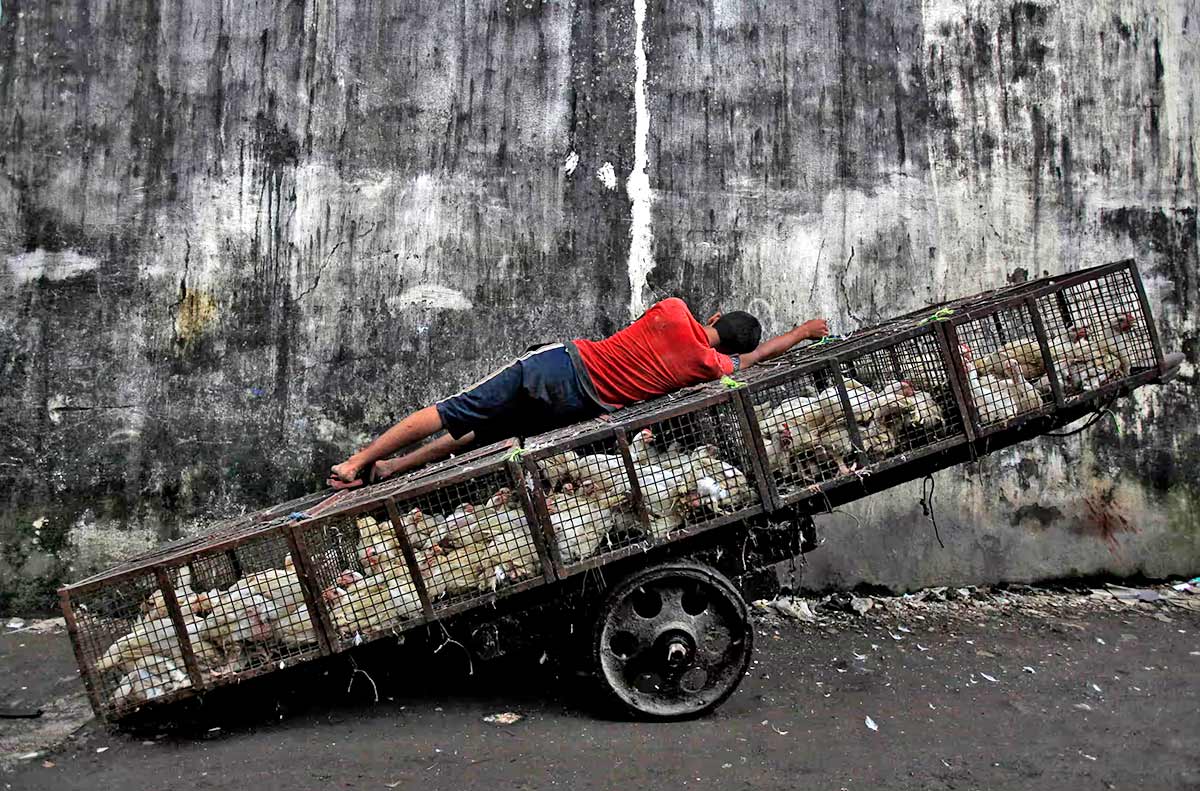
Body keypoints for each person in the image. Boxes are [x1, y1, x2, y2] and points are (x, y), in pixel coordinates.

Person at [327, 298, 828, 488]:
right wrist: (803, 332)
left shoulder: (674, 311)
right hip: (578, 408)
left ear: (714, 318)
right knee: (484, 436)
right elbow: (755, 359)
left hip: (562, 368)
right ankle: (392, 468)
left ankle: (357, 463)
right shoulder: (711, 368)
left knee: (454, 412)